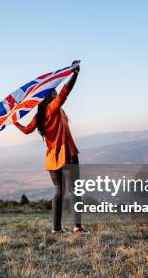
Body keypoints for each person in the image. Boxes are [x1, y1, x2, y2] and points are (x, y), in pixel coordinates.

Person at [13, 61, 90, 235]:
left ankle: (56, 228)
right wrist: (75, 74)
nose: (56, 91)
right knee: (75, 191)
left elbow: (26, 130)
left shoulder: (40, 115)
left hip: (53, 158)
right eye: (53, 90)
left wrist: (14, 121)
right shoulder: (53, 108)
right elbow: (65, 92)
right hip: (67, 154)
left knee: (59, 192)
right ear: (48, 97)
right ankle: (77, 227)